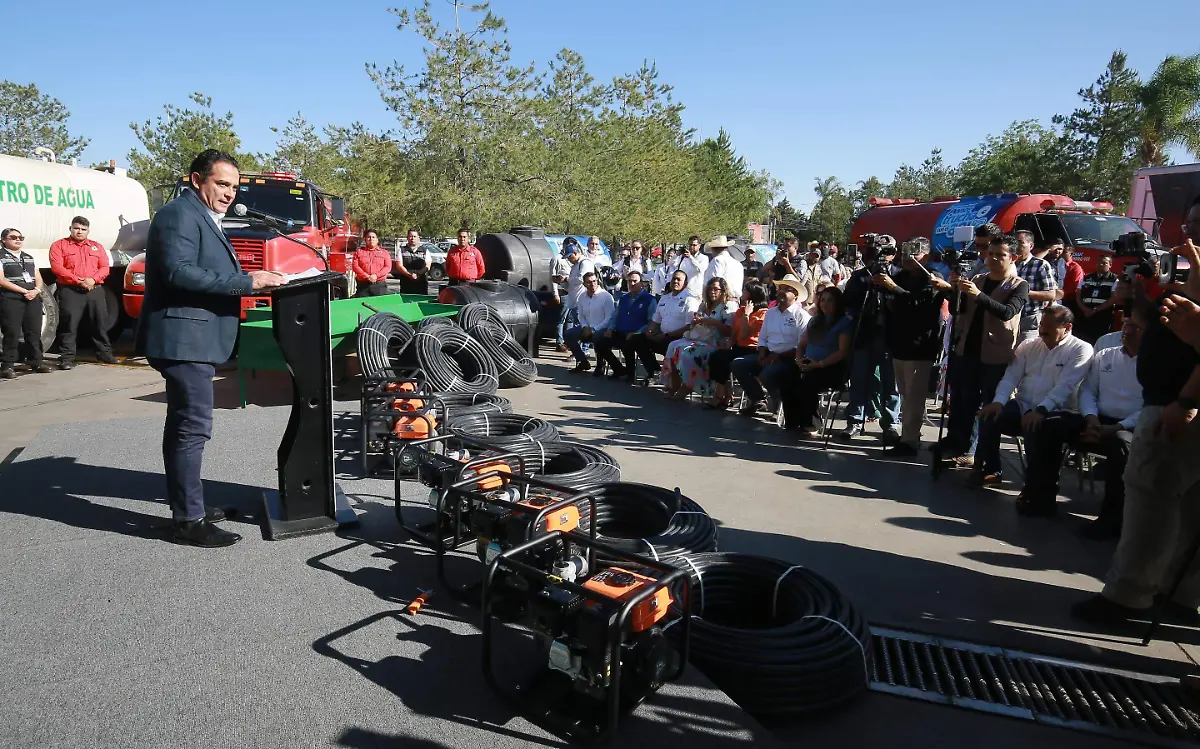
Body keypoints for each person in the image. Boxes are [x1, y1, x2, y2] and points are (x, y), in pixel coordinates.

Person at [137, 149, 284, 547]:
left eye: (234, 187)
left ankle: (186, 502)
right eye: (221, 184)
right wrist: (247, 282)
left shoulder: (204, 217)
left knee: (183, 425)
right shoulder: (177, 215)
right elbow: (178, 273)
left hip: (197, 339)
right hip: (184, 340)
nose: (228, 193)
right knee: (192, 428)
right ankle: (188, 521)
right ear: (195, 179)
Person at [1071, 196, 1200, 625]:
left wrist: (1186, 402)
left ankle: (1128, 596)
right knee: (1180, 509)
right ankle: (1176, 592)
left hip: (1176, 409)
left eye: (1199, 226)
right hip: (1167, 401)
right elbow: (1166, 332)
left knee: (1150, 500)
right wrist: (1141, 304)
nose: (1190, 235)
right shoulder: (1186, 277)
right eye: (1190, 223)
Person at [1016, 317, 1142, 531]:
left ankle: (1110, 521)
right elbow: (1088, 391)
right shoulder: (1105, 356)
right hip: (1095, 419)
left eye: (1134, 327)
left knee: (1121, 446)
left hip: (1129, 427)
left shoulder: (1155, 364)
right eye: (1125, 325)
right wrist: (1091, 418)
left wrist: (1118, 427)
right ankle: (1041, 499)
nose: (1126, 330)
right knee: (1048, 425)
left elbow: (1152, 406)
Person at [973, 306, 1093, 489]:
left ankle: (1034, 486)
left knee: (1035, 428)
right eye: (1041, 324)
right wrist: (998, 402)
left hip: (1058, 411)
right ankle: (991, 469)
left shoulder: (1081, 349)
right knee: (990, 416)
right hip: (1023, 405)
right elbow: (1010, 377)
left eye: (1049, 326)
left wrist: (1041, 410)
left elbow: (1065, 387)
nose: (1042, 329)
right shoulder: (1028, 346)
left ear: (1067, 328)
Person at [938, 230, 1030, 463]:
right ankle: (958, 445)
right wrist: (953, 290)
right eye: (991, 254)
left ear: (1013, 258)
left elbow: (1007, 312)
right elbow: (960, 311)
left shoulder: (1019, 286)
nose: (993, 259)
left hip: (994, 354)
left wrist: (978, 295)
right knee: (961, 402)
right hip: (967, 350)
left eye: (1000, 255)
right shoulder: (978, 279)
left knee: (987, 406)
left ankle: (979, 455)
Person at [873, 237, 953, 455]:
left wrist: (894, 288)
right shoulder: (900, 275)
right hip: (899, 342)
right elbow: (891, 301)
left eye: (914, 253)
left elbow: (919, 305)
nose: (908, 258)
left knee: (915, 397)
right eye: (905, 252)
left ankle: (909, 442)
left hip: (920, 344)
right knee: (905, 393)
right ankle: (910, 435)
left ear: (925, 256)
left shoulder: (933, 278)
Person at [840, 235, 901, 441]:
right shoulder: (859, 276)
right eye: (872, 254)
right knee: (858, 379)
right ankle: (856, 420)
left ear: (892, 255)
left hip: (890, 337)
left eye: (882, 254)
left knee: (890, 384)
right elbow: (847, 302)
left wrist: (889, 286)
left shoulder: (899, 275)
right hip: (864, 334)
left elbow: (906, 303)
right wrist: (866, 286)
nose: (876, 259)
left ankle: (891, 423)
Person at [732, 274, 810, 415]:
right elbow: (762, 338)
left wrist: (778, 356)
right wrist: (762, 352)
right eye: (780, 288)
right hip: (768, 354)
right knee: (738, 364)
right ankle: (759, 399)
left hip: (789, 359)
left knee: (766, 374)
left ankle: (779, 402)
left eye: (787, 289)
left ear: (795, 295)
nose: (781, 292)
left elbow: (802, 345)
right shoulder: (771, 313)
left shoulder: (802, 316)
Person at [781, 287, 854, 435]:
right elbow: (802, 345)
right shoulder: (815, 321)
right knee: (787, 376)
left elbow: (842, 352)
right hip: (809, 362)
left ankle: (812, 423)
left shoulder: (845, 323)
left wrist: (819, 364)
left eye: (830, 300)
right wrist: (798, 360)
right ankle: (793, 420)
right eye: (822, 300)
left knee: (808, 382)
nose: (825, 303)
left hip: (832, 366)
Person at [49, 215, 115, 369]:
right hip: (70, 290)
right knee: (69, 325)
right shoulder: (59, 245)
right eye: (76, 228)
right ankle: (67, 358)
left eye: (83, 229)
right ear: (70, 228)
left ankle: (104, 353)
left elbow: (105, 267)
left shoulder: (96, 247)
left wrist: (92, 280)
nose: (79, 231)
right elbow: (57, 268)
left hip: (94, 290)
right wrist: (78, 280)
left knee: (99, 323)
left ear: (88, 231)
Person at [661, 276, 737, 399]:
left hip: (716, 342)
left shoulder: (728, 306)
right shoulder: (704, 305)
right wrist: (696, 321)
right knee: (673, 346)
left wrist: (712, 322)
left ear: (723, 291)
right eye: (710, 289)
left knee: (686, 352)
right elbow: (695, 323)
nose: (712, 292)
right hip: (699, 338)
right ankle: (673, 385)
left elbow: (729, 331)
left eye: (716, 289)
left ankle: (687, 386)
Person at [707, 281, 769, 409]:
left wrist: (747, 315)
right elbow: (735, 332)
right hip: (739, 348)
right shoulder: (740, 311)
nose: (743, 293)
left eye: (746, 291)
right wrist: (728, 345)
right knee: (718, 357)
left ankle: (756, 399)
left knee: (737, 363)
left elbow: (746, 334)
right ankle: (723, 394)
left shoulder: (763, 313)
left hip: (753, 350)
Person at [0, 228, 50, 378]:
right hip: (11, 299)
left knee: (33, 332)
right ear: (4, 240)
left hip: (32, 298)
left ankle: (36, 362)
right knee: (12, 332)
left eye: (21, 237)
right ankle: (7, 366)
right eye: (13, 237)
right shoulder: (1, 256)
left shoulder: (28, 257)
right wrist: (22, 291)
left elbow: (38, 277)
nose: (18, 240)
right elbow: (1, 280)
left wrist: (36, 290)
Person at [632, 270, 699, 380]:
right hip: (662, 335)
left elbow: (689, 326)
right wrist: (650, 331)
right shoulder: (664, 298)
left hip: (678, 339)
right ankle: (654, 371)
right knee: (637, 339)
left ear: (685, 283)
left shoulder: (690, 300)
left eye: (679, 279)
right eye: (674, 279)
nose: (675, 281)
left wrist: (666, 336)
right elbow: (656, 320)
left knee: (669, 345)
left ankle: (672, 379)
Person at [594, 270, 657, 382]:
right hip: (620, 331)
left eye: (635, 281)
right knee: (599, 343)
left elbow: (651, 321)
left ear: (642, 283)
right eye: (629, 281)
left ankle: (631, 374)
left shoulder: (649, 299)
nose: (632, 284)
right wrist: (610, 329)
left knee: (629, 343)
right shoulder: (623, 299)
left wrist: (637, 332)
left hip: (637, 334)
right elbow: (615, 316)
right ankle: (619, 369)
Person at [1013, 229, 1060, 345]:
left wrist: (1024, 292)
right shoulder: (1009, 264)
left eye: (1020, 242)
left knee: (1024, 352)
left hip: (1029, 318)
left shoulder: (1040, 265)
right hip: (1009, 317)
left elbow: (1051, 295)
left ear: (1031, 245)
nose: (1016, 246)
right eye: (1014, 242)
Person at [563, 271, 615, 374]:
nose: (592, 284)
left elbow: (610, 317)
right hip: (587, 327)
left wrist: (594, 329)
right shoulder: (582, 297)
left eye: (594, 281)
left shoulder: (606, 296)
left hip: (602, 328)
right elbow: (581, 315)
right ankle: (583, 361)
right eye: (589, 282)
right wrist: (585, 327)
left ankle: (600, 365)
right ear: (584, 284)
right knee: (568, 334)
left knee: (597, 337)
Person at [1075, 254, 1120, 344]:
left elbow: (1113, 298)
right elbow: (1078, 295)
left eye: (1104, 263)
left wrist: (1096, 310)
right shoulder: (1086, 277)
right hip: (1085, 314)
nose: (1100, 265)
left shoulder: (1114, 279)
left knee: (1100, 341)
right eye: (1099, 262)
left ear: (1110, 265)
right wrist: (1085, 309)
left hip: (1103, 316)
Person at [352, 229, 392, 297]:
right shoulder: (359, 252)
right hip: (363, 286)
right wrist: (367, 276)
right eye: (369, 237)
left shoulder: (384, 253)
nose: (371, 239)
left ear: (377, 240)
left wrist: (376, 276)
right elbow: (355, 266)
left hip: (379, 286)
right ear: (365, 239)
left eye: (373, 237)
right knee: (361, 306)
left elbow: (388, 267)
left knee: (380, 306)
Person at [549, 243, 573, 352]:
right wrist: (555, 293)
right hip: (562, 291)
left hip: (572, 292)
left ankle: (569, 341)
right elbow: (552, 277)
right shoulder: (557, 259)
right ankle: (559, 342)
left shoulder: (572, 260)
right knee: (561, 319)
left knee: (570, 319)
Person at [1048, 239, 1084, 308]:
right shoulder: (1055, 264)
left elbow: (1075, 286)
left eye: (1065, 252)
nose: (1061, 253)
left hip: (1068, 300)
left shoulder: (1075, 267)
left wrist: (1060, 294)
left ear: (1071, 254)